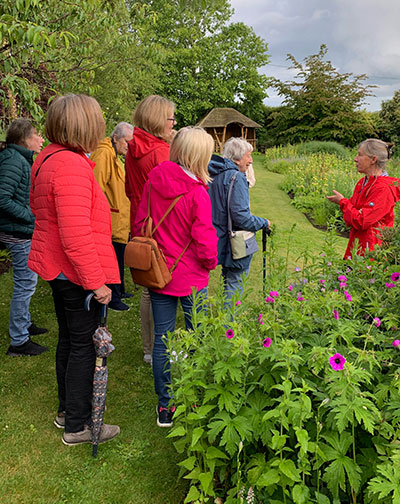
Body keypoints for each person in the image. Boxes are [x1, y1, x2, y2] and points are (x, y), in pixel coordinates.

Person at [28, 94, 120, 446]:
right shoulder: (70, 165)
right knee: (83, 346)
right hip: (73, 272)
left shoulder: (49, 157)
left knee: (70, 339)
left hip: (59, 269)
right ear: (83, 124)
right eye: (97, 119)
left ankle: (68, 410)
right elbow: (75, 234)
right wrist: (97, 283)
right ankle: (78, 426)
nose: (101, 126)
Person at [133, 126, 218, 427]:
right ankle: (195, 392)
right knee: (198, 335)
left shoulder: (155, 180)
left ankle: (165, 405)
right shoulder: (198, 193)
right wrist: (211, 262)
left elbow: (140, 221)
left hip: (159, 272)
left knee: (163, 340)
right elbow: (206, 239)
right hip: (192, 275)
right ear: (200, 156)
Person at [125, 95, 176, 365]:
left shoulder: (134, 147)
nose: (174, 123)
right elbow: (173, 193)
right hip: (161, 225)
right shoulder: (160, 152)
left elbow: (128, 189)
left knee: (148, 286)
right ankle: (160, 347)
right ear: (158, 120)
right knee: (162, 285)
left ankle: (148, 347)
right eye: (170, 118)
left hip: (140, 222)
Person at [0, 118, 49, 357]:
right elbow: (2, 198)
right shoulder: (13, 160)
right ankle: (19, 340)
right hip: (17, 232)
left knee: (27, 282)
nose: (41, 139)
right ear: (24, 139)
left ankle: (25, 324)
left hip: (20, 230)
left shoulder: (19, 159)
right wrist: (30, 216)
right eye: (36, 135)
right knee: (25, 284)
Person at [208, 137, 270, 305]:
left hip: (217, 235)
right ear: (236, 158)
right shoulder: (237, 177)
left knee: (227, 279)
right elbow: (241, 217)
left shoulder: (214, 173)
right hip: (236, 240)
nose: (251, 160)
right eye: (248, 156)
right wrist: (263, 222)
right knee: (235, 282)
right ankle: (230, 326)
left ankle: (224, 321)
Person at [327, 139, 399, 259]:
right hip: (356, 247)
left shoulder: (384, 189)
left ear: (373, 159)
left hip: (371, 253)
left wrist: (343, 202)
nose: (355, 159)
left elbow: (361, 221)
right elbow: (351, 219)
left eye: (360, 155)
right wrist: (352, 210)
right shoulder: (363, 182)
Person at [91, 121, 134, 312]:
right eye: (127, 141)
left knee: (119, 256)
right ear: (116, 138)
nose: (129, 146)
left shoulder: (114, 154)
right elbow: (97, 187)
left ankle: (120, 290)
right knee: (113, 258)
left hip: (119, 218)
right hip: (111, 218)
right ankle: (114, 298)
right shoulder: (104, 154)